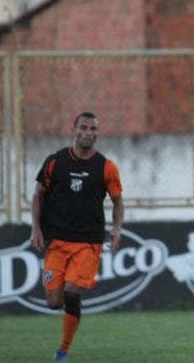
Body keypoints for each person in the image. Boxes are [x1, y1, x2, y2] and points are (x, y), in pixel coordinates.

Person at [29, 112, 124, 361]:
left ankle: (63, 350)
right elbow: (38, 194)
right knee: (53, 302)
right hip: (57, 242)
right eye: (84, 128)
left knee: (72, 295)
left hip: (88, 243)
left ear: (97, 133)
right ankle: (69, 315)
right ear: (74, 130)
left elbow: (118, 203)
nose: (88, 133)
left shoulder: (106, 167)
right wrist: (36, 228)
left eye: (93, 129)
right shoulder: (55, 162)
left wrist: (116, 229)